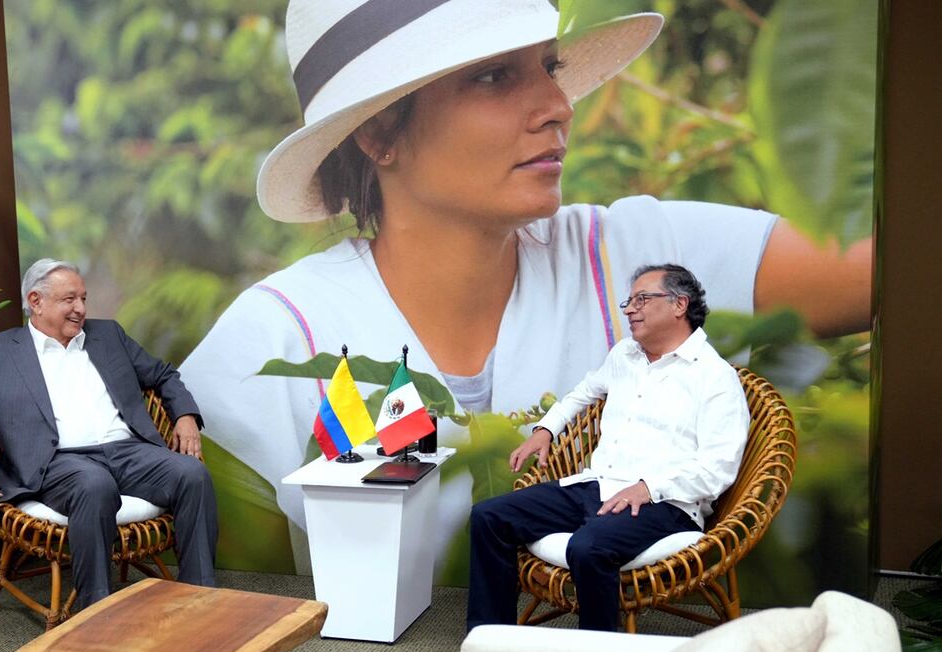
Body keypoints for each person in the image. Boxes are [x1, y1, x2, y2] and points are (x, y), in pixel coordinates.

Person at [178, 0, 869, 561]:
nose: (557, 104)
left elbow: (879, 272)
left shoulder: (633, 255)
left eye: (549, 66)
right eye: (492, 77)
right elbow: (233, 603)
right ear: (379, 133)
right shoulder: (278, 340)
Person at [467, 264, 748, 631]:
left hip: (666, 504)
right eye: (628, 302)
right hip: (598, 486)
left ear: (679, 305)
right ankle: (489, 640)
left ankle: (596, 651)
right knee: (489, 517)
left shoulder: (714, 377)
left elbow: (718, 467)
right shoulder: (624, 355)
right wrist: (546, 428)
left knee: (588, 547)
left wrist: (648, 487)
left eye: (642, 299)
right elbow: (584, 391)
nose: (630, 309)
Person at [0, 259, 218, 607]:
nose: (80, 308)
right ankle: (95, 611)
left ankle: (200, 596)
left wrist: (185, 416)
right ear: (36, 301)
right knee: (94, 485)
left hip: (128, 451)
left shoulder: (109, 335)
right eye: (69, 299)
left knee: (192, 474)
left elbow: (163, 375)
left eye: (83, 299)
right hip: (57, 462)